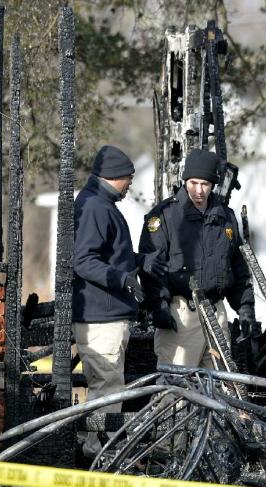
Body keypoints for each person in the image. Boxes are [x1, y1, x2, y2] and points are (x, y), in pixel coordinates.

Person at [138, 148, 255, 368]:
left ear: (213, 185)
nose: (199, 190)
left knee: (219, 390)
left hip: (217, 313)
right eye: (193, 183)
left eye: (205, 184)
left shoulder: (225, 217)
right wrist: (159, 306)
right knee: (177, 391)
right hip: (181, 314)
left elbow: (238, 267)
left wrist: (245, 307)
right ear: (185, 181)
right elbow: (150, 266)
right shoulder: (164, 215)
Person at [72, 144, 164, 418]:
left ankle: (97, 447)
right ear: (116, 176)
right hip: (102, 319)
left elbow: (110, 255)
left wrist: (138, 262)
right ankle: (99, 452)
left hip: (105, 316)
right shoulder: (95, 208)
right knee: (108, 387)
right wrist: (123, 279)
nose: (129, 186)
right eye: (129, 179)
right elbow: (84, 261)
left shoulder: (100, 204)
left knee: (108, 386)